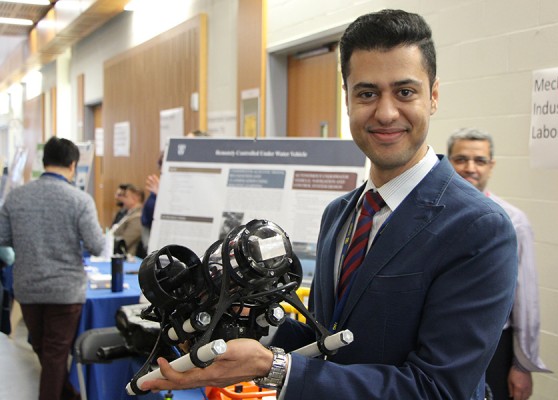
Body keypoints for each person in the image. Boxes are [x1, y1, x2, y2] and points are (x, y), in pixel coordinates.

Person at [140, 9, 518, 399]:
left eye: (405, 92)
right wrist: (241, 328)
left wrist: (274, 369)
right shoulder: (340, 214)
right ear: (348, 99)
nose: (386, 112)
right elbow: (325, 336)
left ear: (433, 96)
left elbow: (439, 390)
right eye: (367, 93)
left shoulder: (478, 227)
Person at [447, 128, 550, 400]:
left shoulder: (514, 222)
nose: (470, 168)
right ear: (448, 163)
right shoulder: (431, 217)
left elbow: (526, 302)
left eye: (479, 160)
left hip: (492, 347)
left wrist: (521, 365)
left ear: (491, 166)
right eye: (461, 159)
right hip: (438, 343)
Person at [0, 136, 105, 400]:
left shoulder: (16, 197)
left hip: (28, 288)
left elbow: (2, 238)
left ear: (44, 162)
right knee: (55, 353)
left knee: (45, 349)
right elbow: (97, 245)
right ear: (72, 165)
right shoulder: (80, 200)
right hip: (65, 291)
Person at [111, 183, 144, 257]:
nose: (121, 199)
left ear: (135, 198)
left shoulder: (138, 217)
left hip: (127, 259)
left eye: (125, 196)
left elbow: (124, 242)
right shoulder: (126, 213)